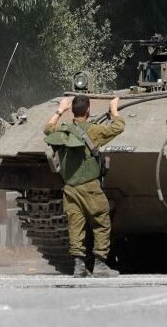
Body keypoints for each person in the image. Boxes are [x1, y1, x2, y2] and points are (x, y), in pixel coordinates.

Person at [44, 95, 125, 277]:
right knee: (102, 222)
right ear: (88, 110)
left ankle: (79, 266)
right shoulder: (94, 130)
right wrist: (113, 109)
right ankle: (100, 265)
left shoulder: (63, 131)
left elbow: (47, 129)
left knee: (75, 225)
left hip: (70, 189)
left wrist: (60, 110)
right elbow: (118, 127)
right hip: (90, 188)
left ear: (72, 110)